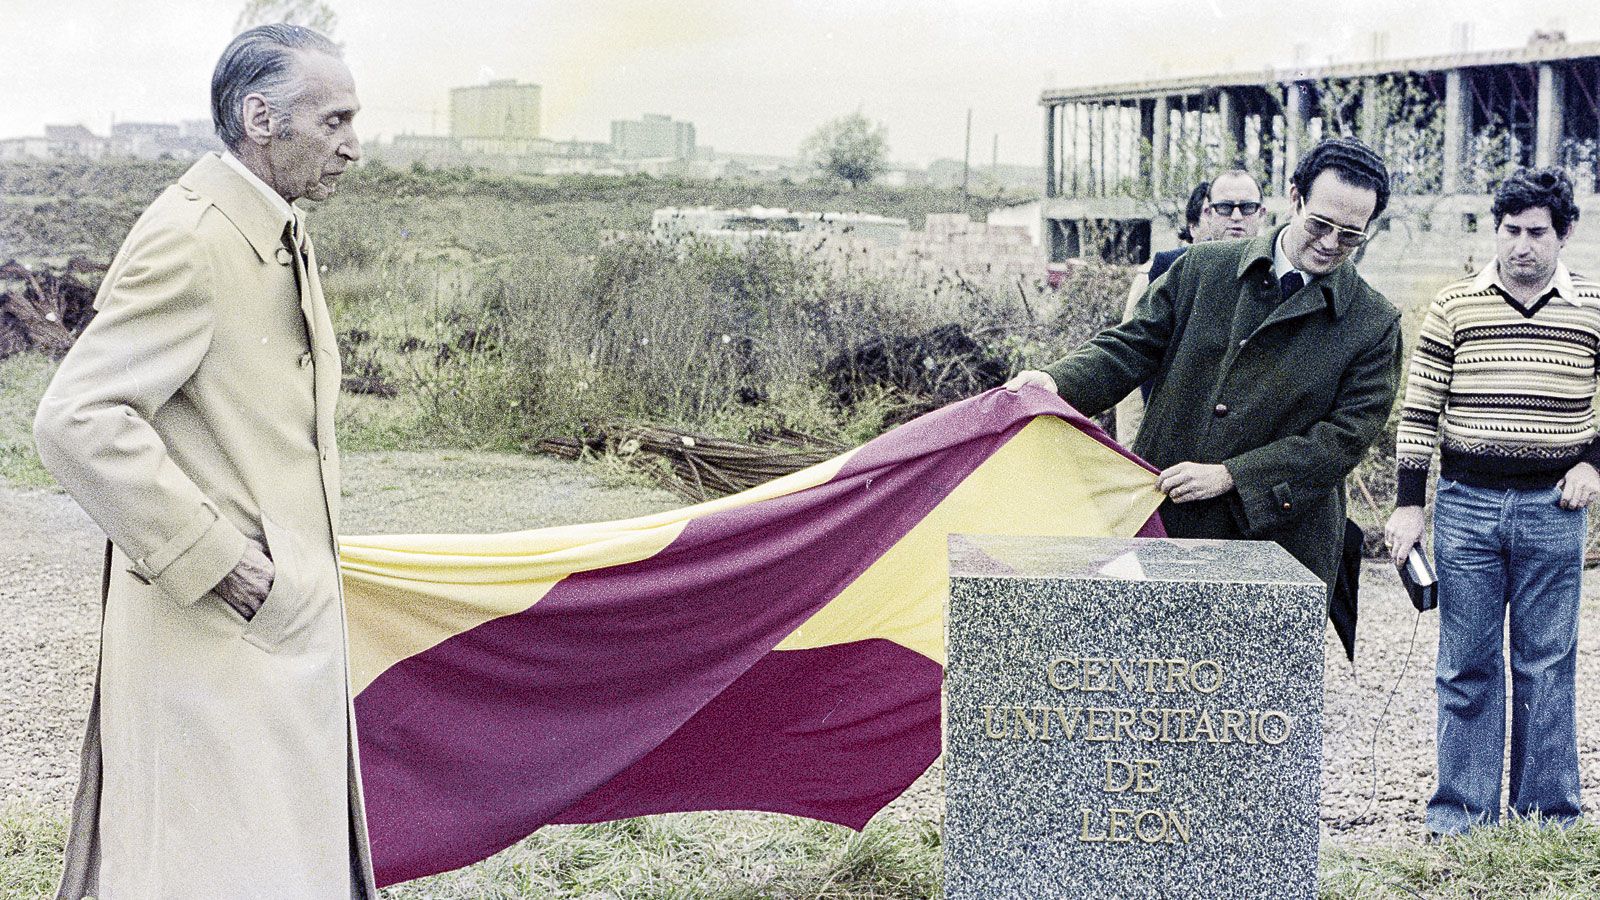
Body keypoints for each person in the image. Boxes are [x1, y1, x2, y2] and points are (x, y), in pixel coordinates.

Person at [34, 24, 375, 898]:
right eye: (333, 120)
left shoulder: (267, 225)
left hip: (268, 633)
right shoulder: (194, 234)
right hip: (217, 635)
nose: (353, 146)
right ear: (260, 117)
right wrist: (217, 561)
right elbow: (78, 418)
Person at [1006, 137, 1402, 592]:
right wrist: (1055, 383)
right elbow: (1131, 347)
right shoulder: (1203, 269)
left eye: (1351, 234)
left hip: (1282, 543)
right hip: (1170, 517)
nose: (1331, 243)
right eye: (1320, 224)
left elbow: (1343, 439)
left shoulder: (1375, 323)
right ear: (1294, 198)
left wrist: (1233, 476)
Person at [1383, 167, 1599, 838]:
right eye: (1510, 231)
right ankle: (1462, 819)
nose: (1521, 246)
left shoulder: (1593, 307)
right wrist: (1408, 505)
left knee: (1546, 666)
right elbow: (1419, 410)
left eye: (1537, 232)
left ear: (1564, 234)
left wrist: (1595, 463)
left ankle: (1547, 821)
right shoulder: (1456, 305)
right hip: (1468, 506)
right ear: (1495, 232)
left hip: (1554, 508)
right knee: (1467, 665)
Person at [1117, 170, 1267, 442]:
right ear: (1207, 213)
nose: (1236, 217)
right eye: (1224, 208)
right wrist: (1131, 447)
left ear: (1262, 214)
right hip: (1170, 444)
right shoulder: (1164, 270)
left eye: (1247, 208)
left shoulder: (1278, 277)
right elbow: (1131, 359)